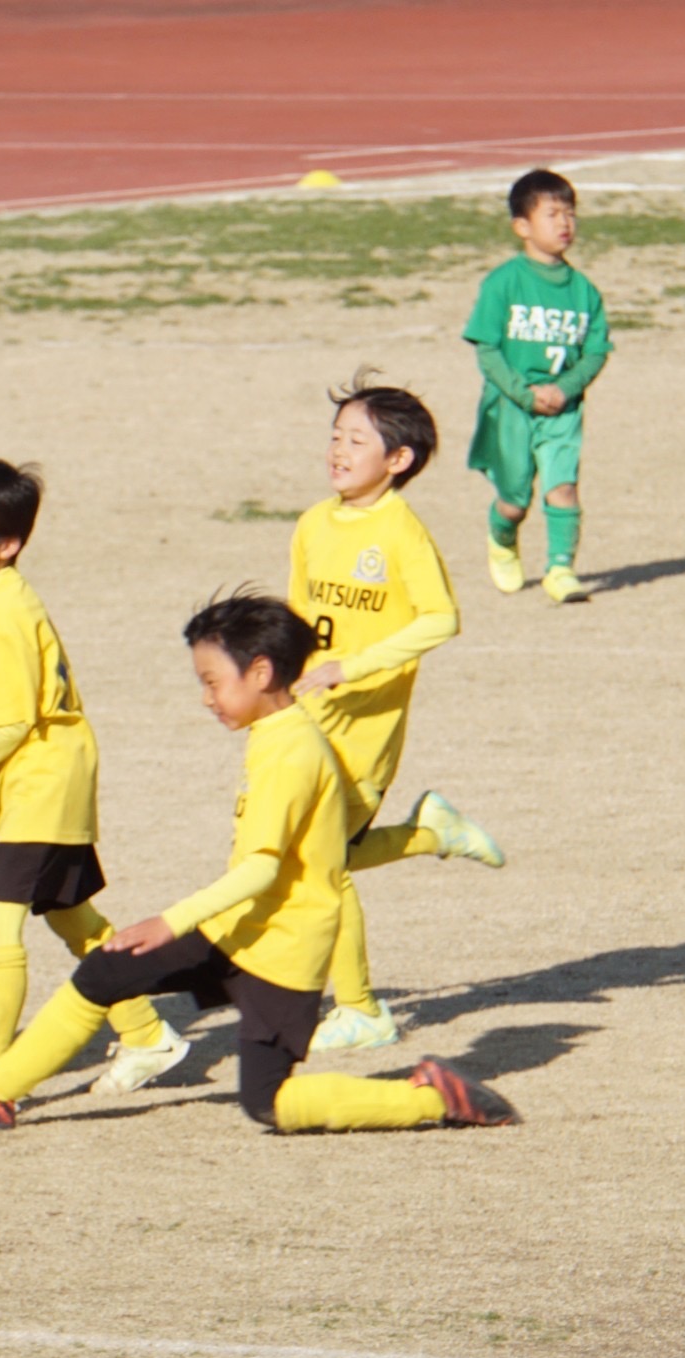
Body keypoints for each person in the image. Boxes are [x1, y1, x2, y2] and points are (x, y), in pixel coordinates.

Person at [0, 593, 519, 1134]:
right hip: (237, 930)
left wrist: (169, 921)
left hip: (283, 952)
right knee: (106, 972)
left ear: (261, 673)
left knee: (269, 1105)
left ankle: (433, 1100)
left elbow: (261, 870)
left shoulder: (290, 751)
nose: (206, 697)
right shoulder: (274, 734)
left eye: (213, 681)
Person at [0, 460, 190, 1096]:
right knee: (71, 915)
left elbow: (10, 722)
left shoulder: (0, 612)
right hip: (38, 773)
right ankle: (149, 1035)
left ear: (6, 546)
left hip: (47, 772)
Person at [288, 378, 505, 1054]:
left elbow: (442, 618)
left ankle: (360, 1009)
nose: (338, 450)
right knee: (320, 853)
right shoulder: (313, 523)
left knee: (318, 860)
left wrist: (350, 669)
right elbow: (297, 617)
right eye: (335, 436)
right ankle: (428, 833)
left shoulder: (402, 532)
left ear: (398, 460)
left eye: (357, 440)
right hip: (307, 715)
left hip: (365, 724)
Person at [464, 168, 612, 602]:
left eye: (570, 213)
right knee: (515, 499)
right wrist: (523, 392)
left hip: (562, 410)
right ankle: (502, 537)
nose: (565, 223)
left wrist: (565, 389)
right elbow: (487, 349)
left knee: (562, 486)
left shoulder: (584, 291)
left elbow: (596, 351)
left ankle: (560, 569)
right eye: (552, 214)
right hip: (512, 405)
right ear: (522, 227)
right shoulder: (503, 283)